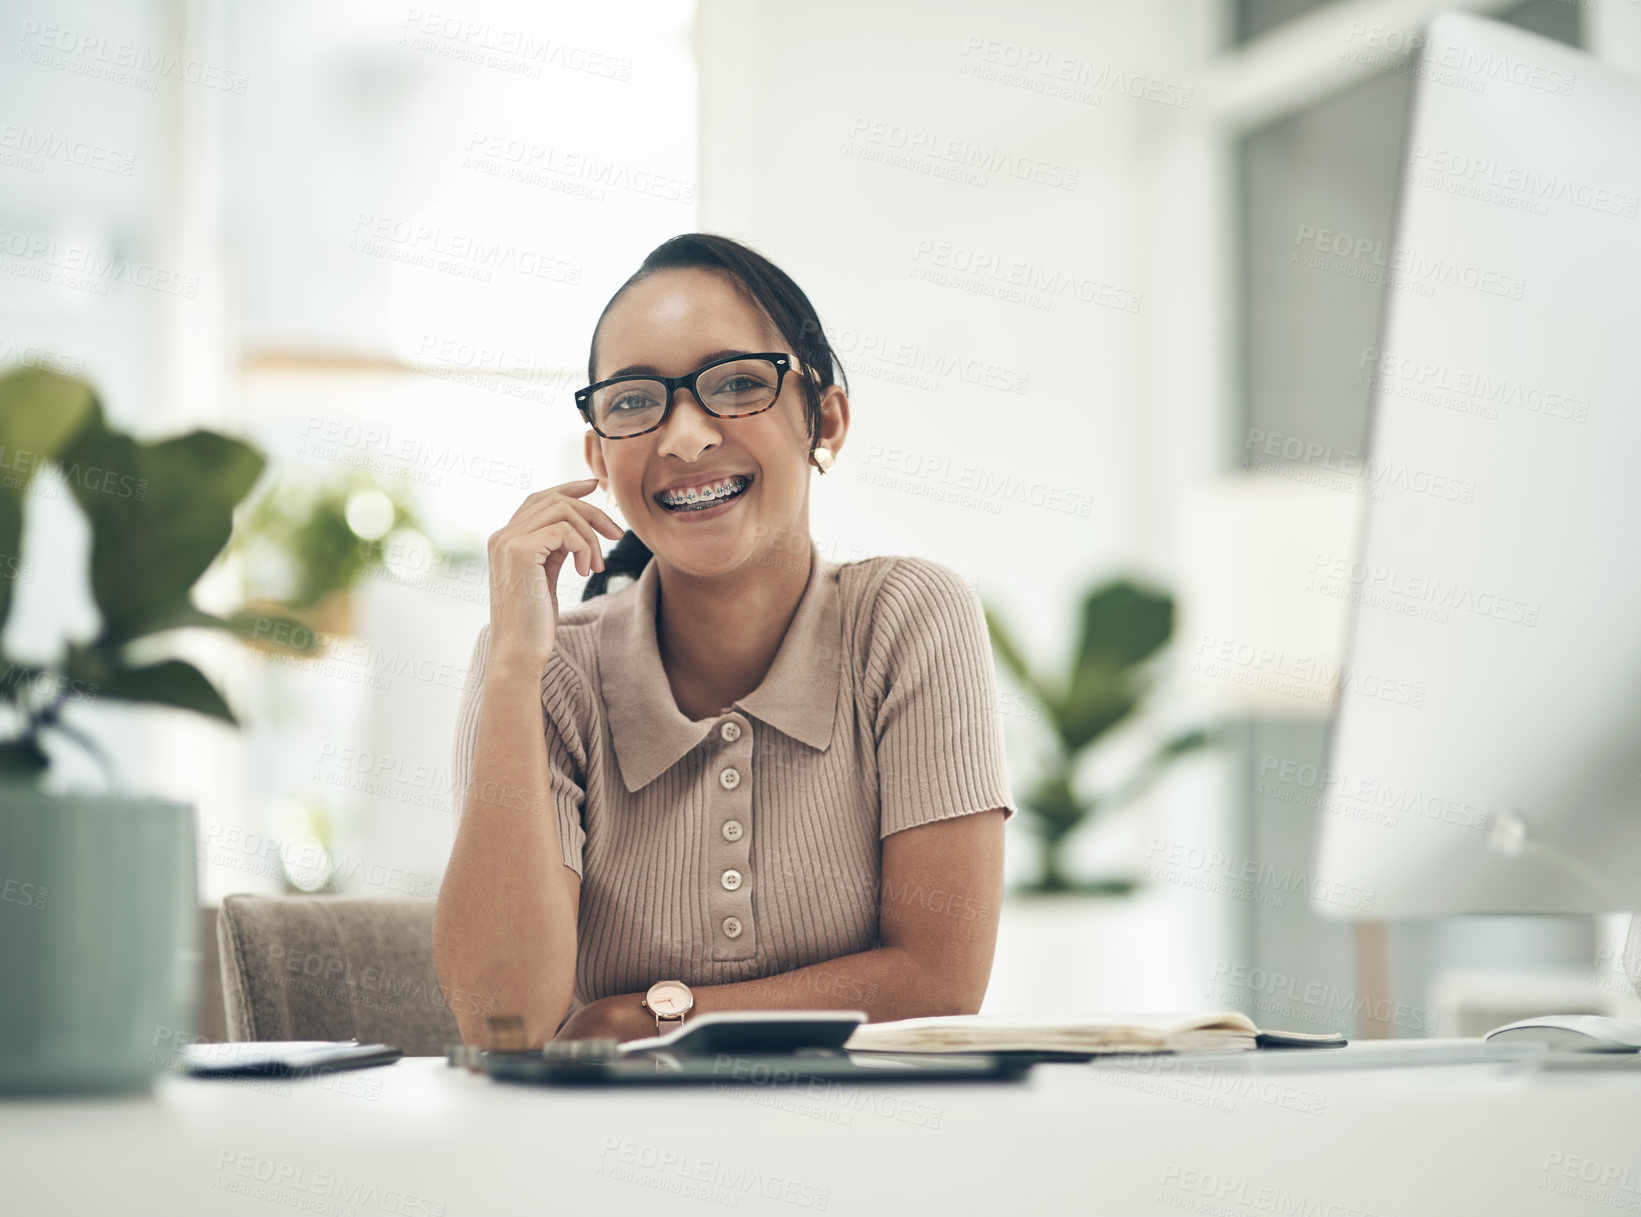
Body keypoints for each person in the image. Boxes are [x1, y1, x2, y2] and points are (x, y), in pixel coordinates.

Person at [434, 233, 1017, 1048]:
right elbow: (502, 1023)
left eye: (737, 383)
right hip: (600, 1160)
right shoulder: (547, 668)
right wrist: (511, 668)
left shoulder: (908, 619)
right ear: (599, 454)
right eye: (634, 400)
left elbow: (938, 982)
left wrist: (648, 1015)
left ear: (827, 420)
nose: (683, 436)